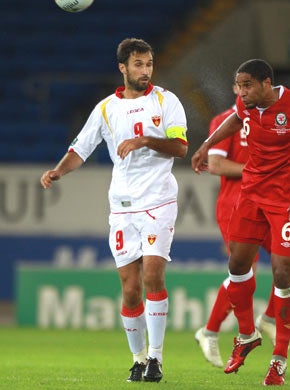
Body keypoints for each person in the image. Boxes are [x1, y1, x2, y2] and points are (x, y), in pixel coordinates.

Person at [40, 38, 188, 383]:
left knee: (153, 274)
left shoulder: (167, 101)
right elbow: (81, 148)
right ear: (122, 68)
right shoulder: (106, 108)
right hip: (122, 207)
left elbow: (180, 147)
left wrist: (145, 140)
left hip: (158, 201)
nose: (145, 71)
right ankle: (137, 358)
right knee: (130, 287)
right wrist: (59, 170)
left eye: (149, 64)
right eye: (138, 64)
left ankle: (156, 358)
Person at [192, 59, 290, 385]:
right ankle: (246, 335)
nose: (241, 92)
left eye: (247, 86)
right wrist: (205, 145)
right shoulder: (246, 106)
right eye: (239, 86)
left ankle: (279, 360)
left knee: (285, 273)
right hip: (250, 197)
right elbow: (233, 120)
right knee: (237, 265)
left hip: (286, 203)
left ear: (266, 83)